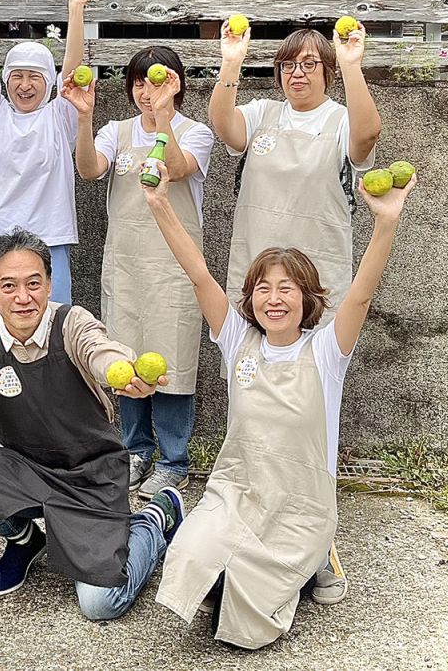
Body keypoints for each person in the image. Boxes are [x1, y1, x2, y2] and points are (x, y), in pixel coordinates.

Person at [141, 161, 415, 649]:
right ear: (250, 298)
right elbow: (198, 273)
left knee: (245, 627)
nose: (274, 298)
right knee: (189, 558)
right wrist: (160, 203)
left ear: (307, 297)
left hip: (300, 506)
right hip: (239, 492)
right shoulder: (237, 340)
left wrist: (385, 222)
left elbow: (361, 296)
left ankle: (312, 561)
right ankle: (267, 564)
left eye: (286, 288)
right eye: (263, 288)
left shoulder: (327, 351)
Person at [0, 228, 185, 620]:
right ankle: (26, 540)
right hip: (22, 465)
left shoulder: (71, 322)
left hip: (90, 474)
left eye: (33, 283)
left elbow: (101, 353)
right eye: (9, 285)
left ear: (49, 283)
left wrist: (122, 374)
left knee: (100, 604)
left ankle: (153, 520)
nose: (23, 297)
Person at [66, 46, 214, 498]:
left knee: (172, 359)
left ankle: (173, 460)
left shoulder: (196, 133)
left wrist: (164, 114)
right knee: (125, 358)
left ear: (176, 85)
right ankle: (134, 450)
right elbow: (89, 169)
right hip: (126, 264)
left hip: (174, 266)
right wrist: (85, 117)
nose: (144, 92)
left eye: (156, 83)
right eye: (137, 83)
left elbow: (175, 168)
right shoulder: (116, 130)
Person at [209, 22, 381, 324]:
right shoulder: (263, 112)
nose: (297, 72)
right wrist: (231, 61)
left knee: (313, 362)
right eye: (287, 65)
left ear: (328, 71)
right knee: (252, 356)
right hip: (258, 268)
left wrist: (351, 65)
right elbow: (224, 125)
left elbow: (367, 136)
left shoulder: (341, 120)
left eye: (309, 64)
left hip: (317, 268)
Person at [0, 0, 100, 322]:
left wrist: (76, 7)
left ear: (49, 83)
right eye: (17, 77)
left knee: (50, 339)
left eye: (34, 77)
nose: (25, 85)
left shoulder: (60, 116)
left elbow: (72, 70)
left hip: (48, 240)